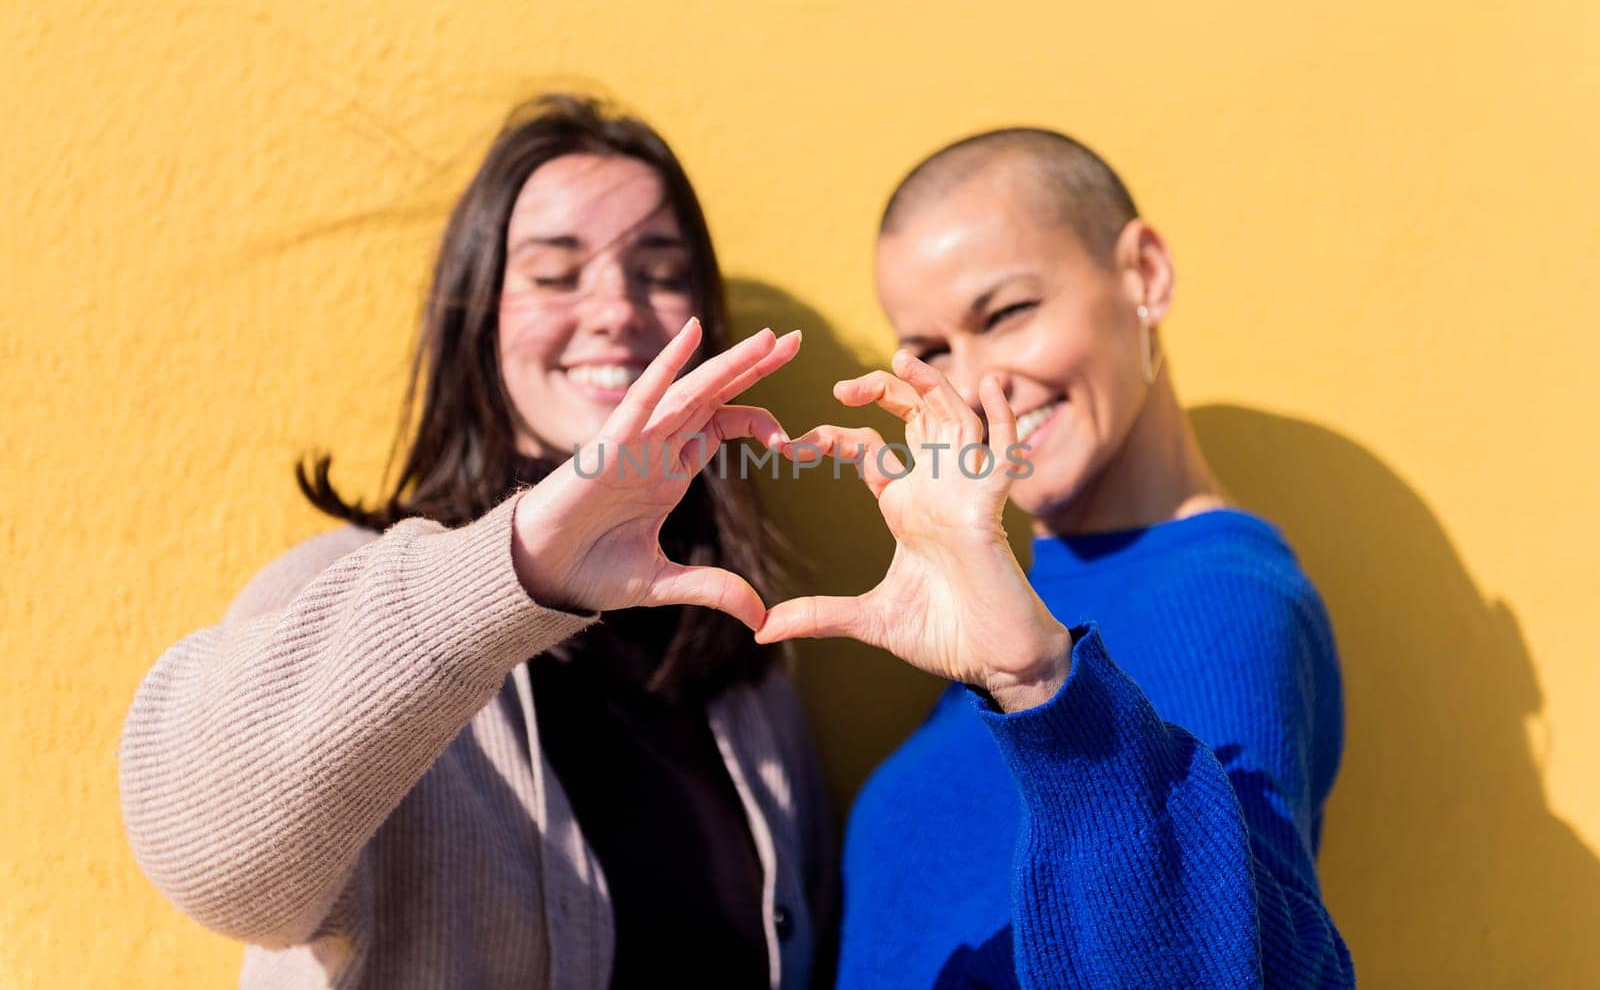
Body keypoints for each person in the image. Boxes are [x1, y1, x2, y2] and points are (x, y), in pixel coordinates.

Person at [118, 94, 834, 989]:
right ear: (478, 318)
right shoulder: (340, 581)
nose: (615, 308)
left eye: (658, 270)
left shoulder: (740, 668)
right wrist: (517, 568)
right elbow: (213, 857)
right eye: (554, 271)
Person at [760, 129, 1354, 987]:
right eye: (928, 348)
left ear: (1144, 274)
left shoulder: (1219, 596)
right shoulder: (1021, 592)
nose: (975, 384)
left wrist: (1044, 686)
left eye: (1005, 314)